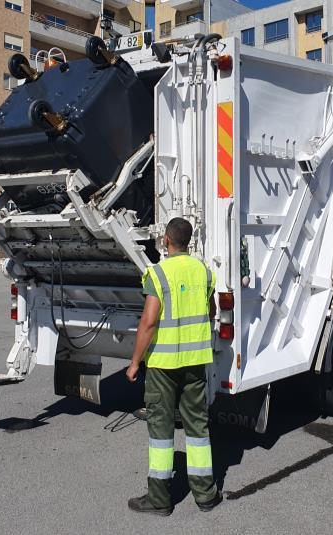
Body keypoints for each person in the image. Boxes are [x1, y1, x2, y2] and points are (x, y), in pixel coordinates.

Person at [125, 217, 222, 516]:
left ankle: (159, 499)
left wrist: (134, 361)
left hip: (164, 365)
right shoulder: (203, 272)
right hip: (195, 362)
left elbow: (149, 321)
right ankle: (206, 494)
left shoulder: (158, 273)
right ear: (188, 242)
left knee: (161, 429)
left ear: (166, 240)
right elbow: (210, 311)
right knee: (197, 427)